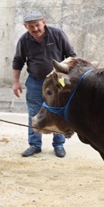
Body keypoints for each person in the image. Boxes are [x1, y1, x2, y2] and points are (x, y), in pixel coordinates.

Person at [12, 10, 77, 158]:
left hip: (56, 81)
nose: (35, 29)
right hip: (35, 81)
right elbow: (18, 61)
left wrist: (68, 78)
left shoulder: (57, 34)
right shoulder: (24, 40)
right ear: (25, 27)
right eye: (30, 26)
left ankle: (59, 144)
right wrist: (16, 82)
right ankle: (34, 145)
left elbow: (71, 56)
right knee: (34, 112)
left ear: (44, 22)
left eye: (37, 25)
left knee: (58, 110)